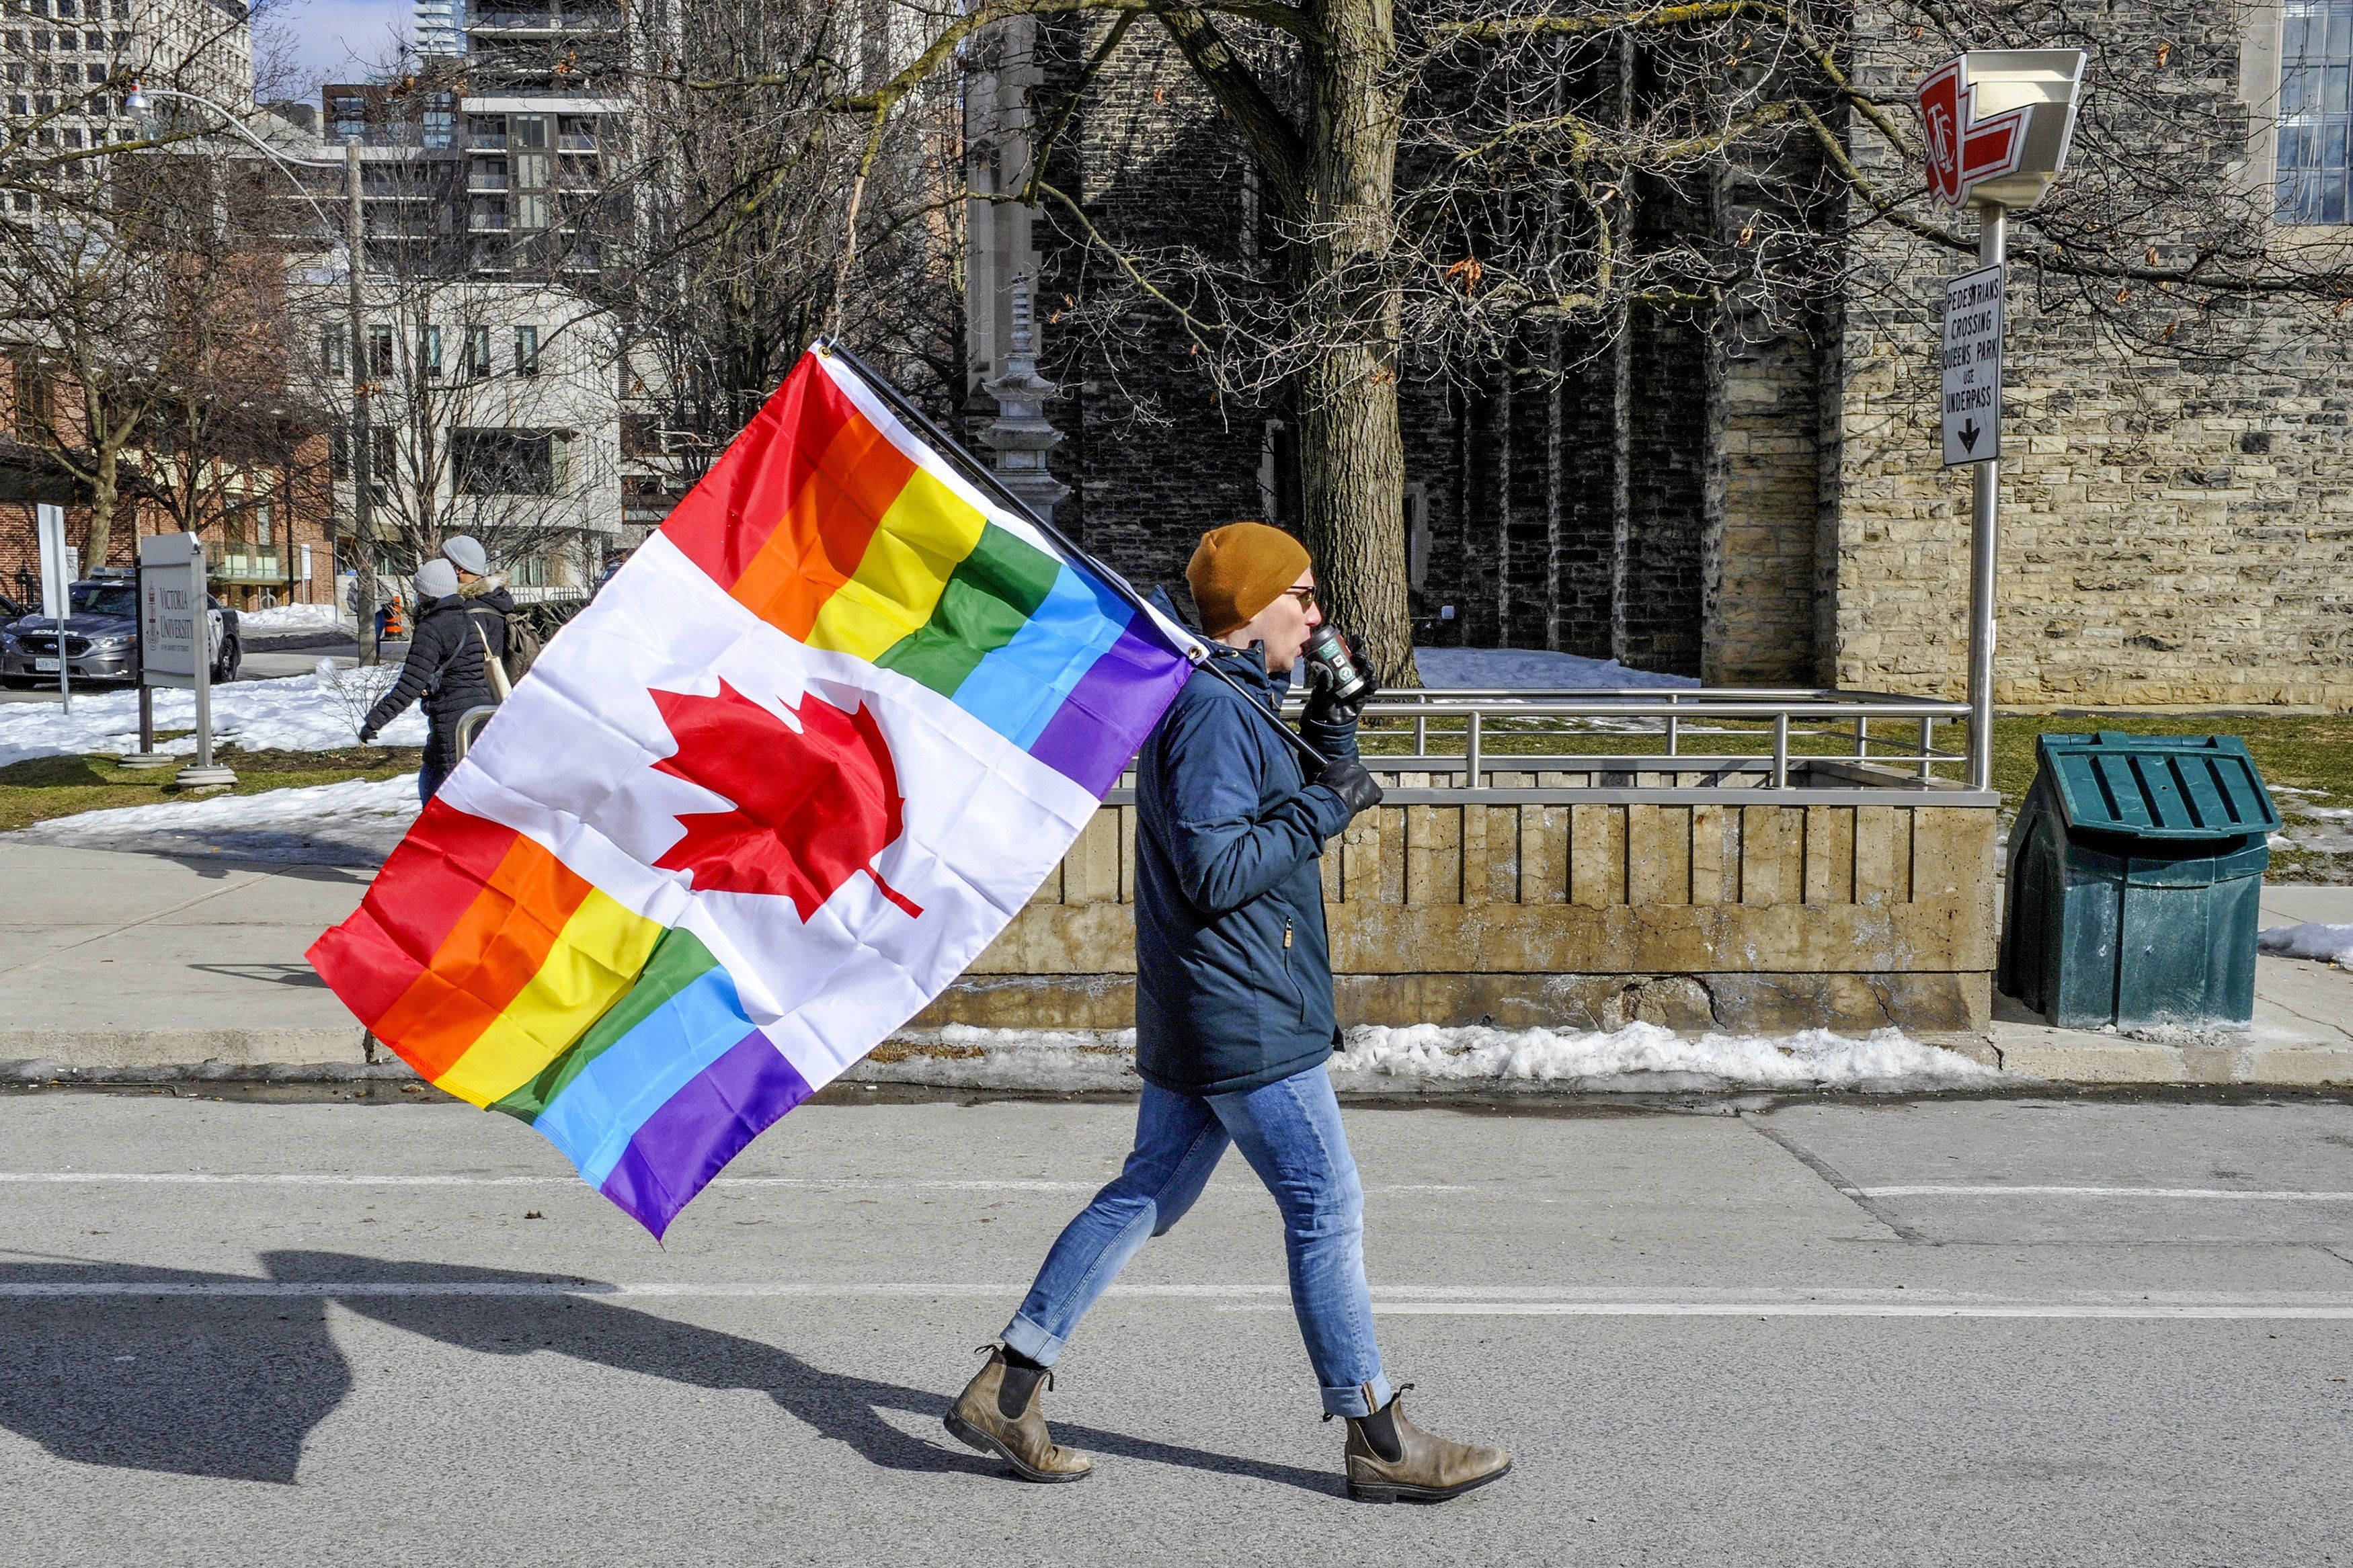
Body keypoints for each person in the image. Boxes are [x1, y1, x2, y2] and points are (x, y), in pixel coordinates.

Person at [946, 522, 1512, 1505]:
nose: (1318, 613)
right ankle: (1377, 1433)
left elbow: (1277, 801)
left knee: (1148, 1195)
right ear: (1255, 607)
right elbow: (1218, 869)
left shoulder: (1233, 697)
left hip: (1214, 1003)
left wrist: (1333, 723)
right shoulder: (1211, 709)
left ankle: (1012, 1382)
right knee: (1326, 1208)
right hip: (1242, 1011)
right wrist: (1327, 806)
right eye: (1304, 594)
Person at [358, 555, 509, 803]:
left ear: (427, 593)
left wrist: (375, 720)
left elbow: (409, 686)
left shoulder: (432, 627)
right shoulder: (467, 618)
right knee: (466, 802)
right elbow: (463, 669)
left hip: (451, 725)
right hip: (478, 720)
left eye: (419, 591)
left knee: (436, 798)